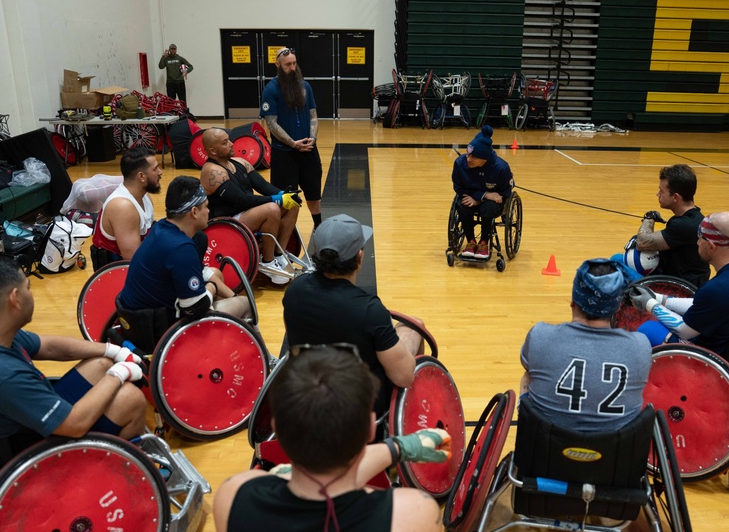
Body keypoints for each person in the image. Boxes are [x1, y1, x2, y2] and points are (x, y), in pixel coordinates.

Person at [213, 346, 449, 532]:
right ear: (369, 429)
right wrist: (397, 448)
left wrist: (395, 448)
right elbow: (341, 485)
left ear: (277, 430)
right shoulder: (416, 513)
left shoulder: (233, 497)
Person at [0, 255, 148, 490]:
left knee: (100, 363)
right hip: (21, 464)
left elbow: (48, 346)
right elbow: (74, 425)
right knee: (132, 399)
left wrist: (112, 351)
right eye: (28, 287)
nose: (31, 293)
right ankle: (108, 480)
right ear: (15, 298)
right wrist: (118, 375)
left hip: (1, 436)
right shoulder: (2, 375)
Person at [283, 214, 425, 414]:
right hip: (357, 415)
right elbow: (403, 377)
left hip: (308, 397)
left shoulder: (294, 291)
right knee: (413, 326)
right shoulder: (370, 310)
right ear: (359, 257)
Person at [117, 176, 251, 351]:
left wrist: (230, 295)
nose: (209, 211)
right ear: (194, 212)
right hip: (160, 331)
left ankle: (222, 346)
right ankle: (258, 357)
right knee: (246, 305)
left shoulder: (162, 228)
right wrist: (212, 288)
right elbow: (195, 308)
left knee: (216, 276)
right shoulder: (181, 248)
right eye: (206, 207)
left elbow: (201, 271)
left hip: (138, 320)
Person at [520, 258, 652, 432]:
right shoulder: (641, 346)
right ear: (617, 307)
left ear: (573, 301)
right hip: (615, 455)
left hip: (546, 453)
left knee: (529, 374)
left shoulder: (540, 335)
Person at [629, 212, 729, 356]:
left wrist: (649, 304)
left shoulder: (719, 288)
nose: (697, 242)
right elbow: (702, 305)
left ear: (711, 246)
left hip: (722, 359)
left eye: (700, 238)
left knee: (649, 329)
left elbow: (684, 330)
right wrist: (659, 298)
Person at [199, 127, 301, 285]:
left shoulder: (240, 162)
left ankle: (279, 253)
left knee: (292, 204)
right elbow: (242, 200)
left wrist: (284, 195)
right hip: (227, 222)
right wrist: (275, 199)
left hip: (246, 214)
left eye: (230, 140)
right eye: (225, 143)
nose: (232, 144)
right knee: (272, 208)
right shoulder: (212, 171)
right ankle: (268, 261)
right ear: (212, 150)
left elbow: (264, 186)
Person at [260, 47, 324, 229]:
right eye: (288, 64)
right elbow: (271, 123)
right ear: (277, 65)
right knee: (287, 197)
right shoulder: (271, 90)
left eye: (294, 63)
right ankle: (285, 233)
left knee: (313, 192)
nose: (293, 68)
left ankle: (318, 227)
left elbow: (313, 115)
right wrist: (293, 143)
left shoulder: (305, 87)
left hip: (308, 150)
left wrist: (312, 138)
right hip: (284, 154)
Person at [633, 164, 710, 287]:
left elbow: (642, 242)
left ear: (675, 197)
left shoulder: (684, 225)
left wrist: (649, 218)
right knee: (620, 260)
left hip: (677, 286)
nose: (657, 194)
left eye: (661, 191)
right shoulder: (695, 218)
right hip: (680, 278)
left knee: (616, 265)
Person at [90, 147, 161, 268]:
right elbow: (133, 259)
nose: (160, 172)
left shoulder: (145, 196)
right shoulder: (122, 207)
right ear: (141, 177)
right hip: (118, 277)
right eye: (155, 169)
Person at [452, 125, 514, 260]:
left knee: (488, 207)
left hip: (492, 203)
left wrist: (483, 199)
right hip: (470, 197)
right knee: (463, 204)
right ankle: (471, 241)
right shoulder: (460, 164)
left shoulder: (501, 168)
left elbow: (505, 192)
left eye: (474, 157)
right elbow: (458, 187)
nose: (469, 159)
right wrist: (483, 195)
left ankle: (484, 241)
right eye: (468, 154)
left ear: (485, 158)